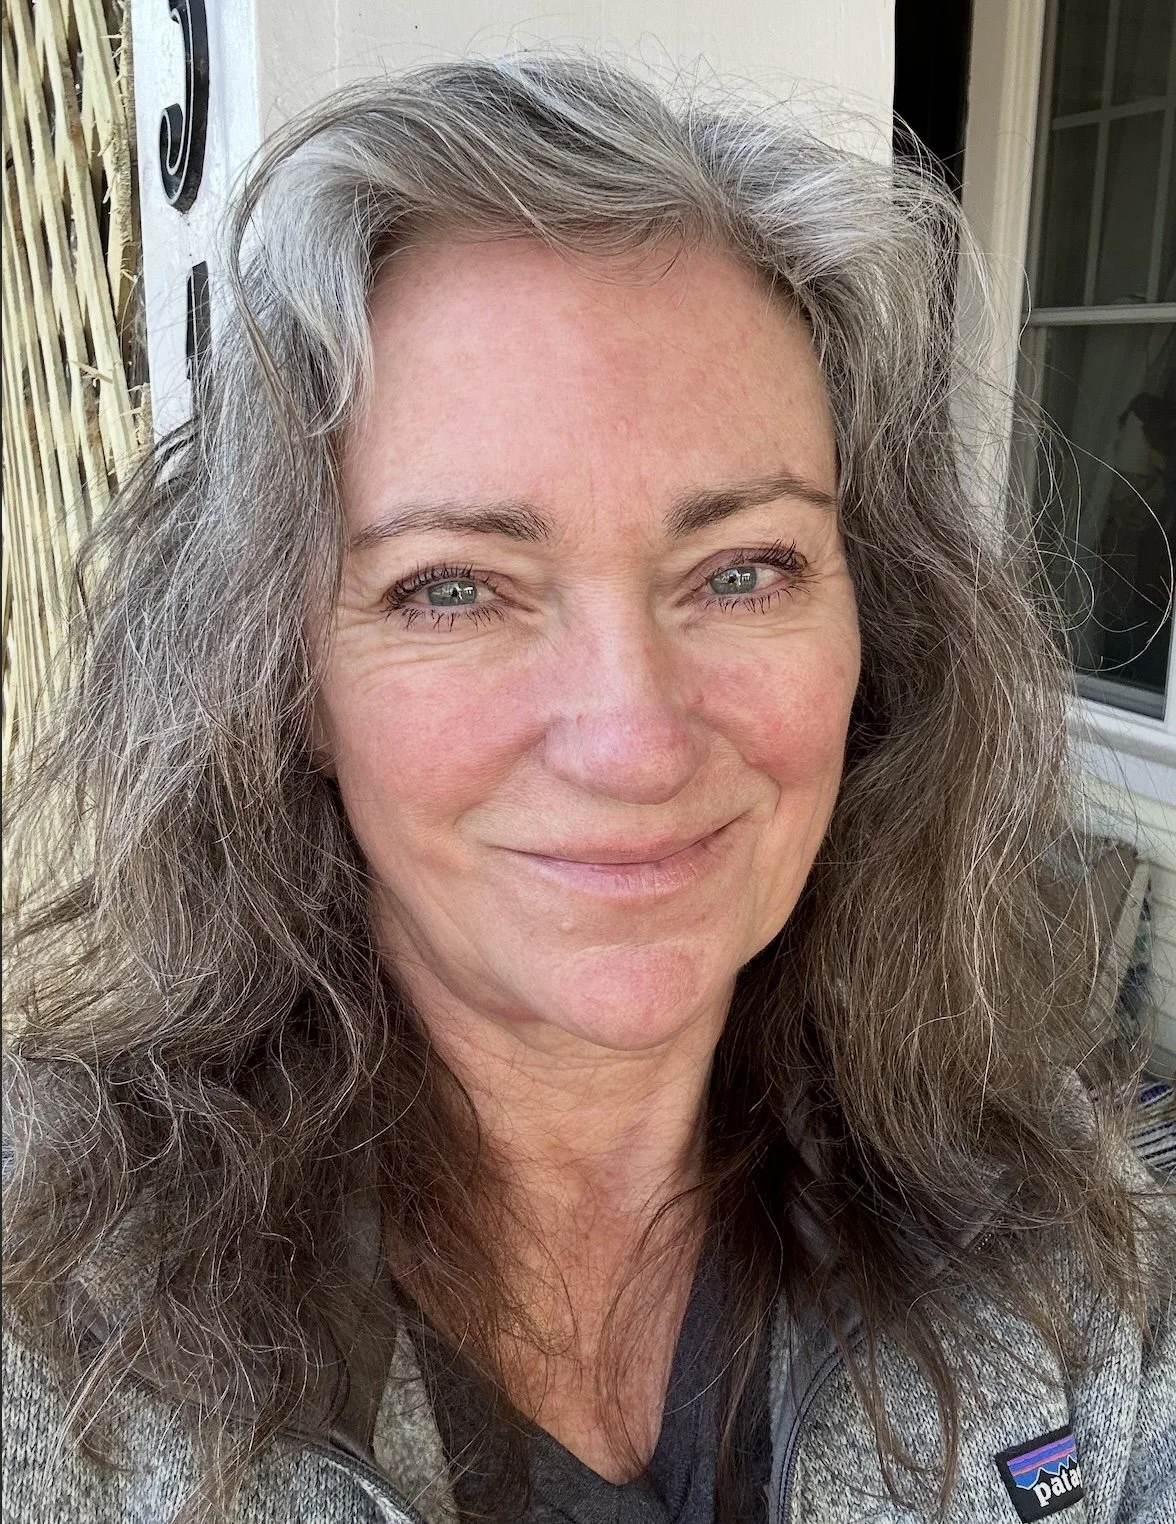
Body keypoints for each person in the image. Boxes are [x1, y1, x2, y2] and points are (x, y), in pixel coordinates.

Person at [3, 53, 1172, 1524]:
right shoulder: (53, 1314)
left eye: (743, 571)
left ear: (878, 626)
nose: (635, 743)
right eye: (452, 588)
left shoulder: (1064, 1235)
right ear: (284, 682)